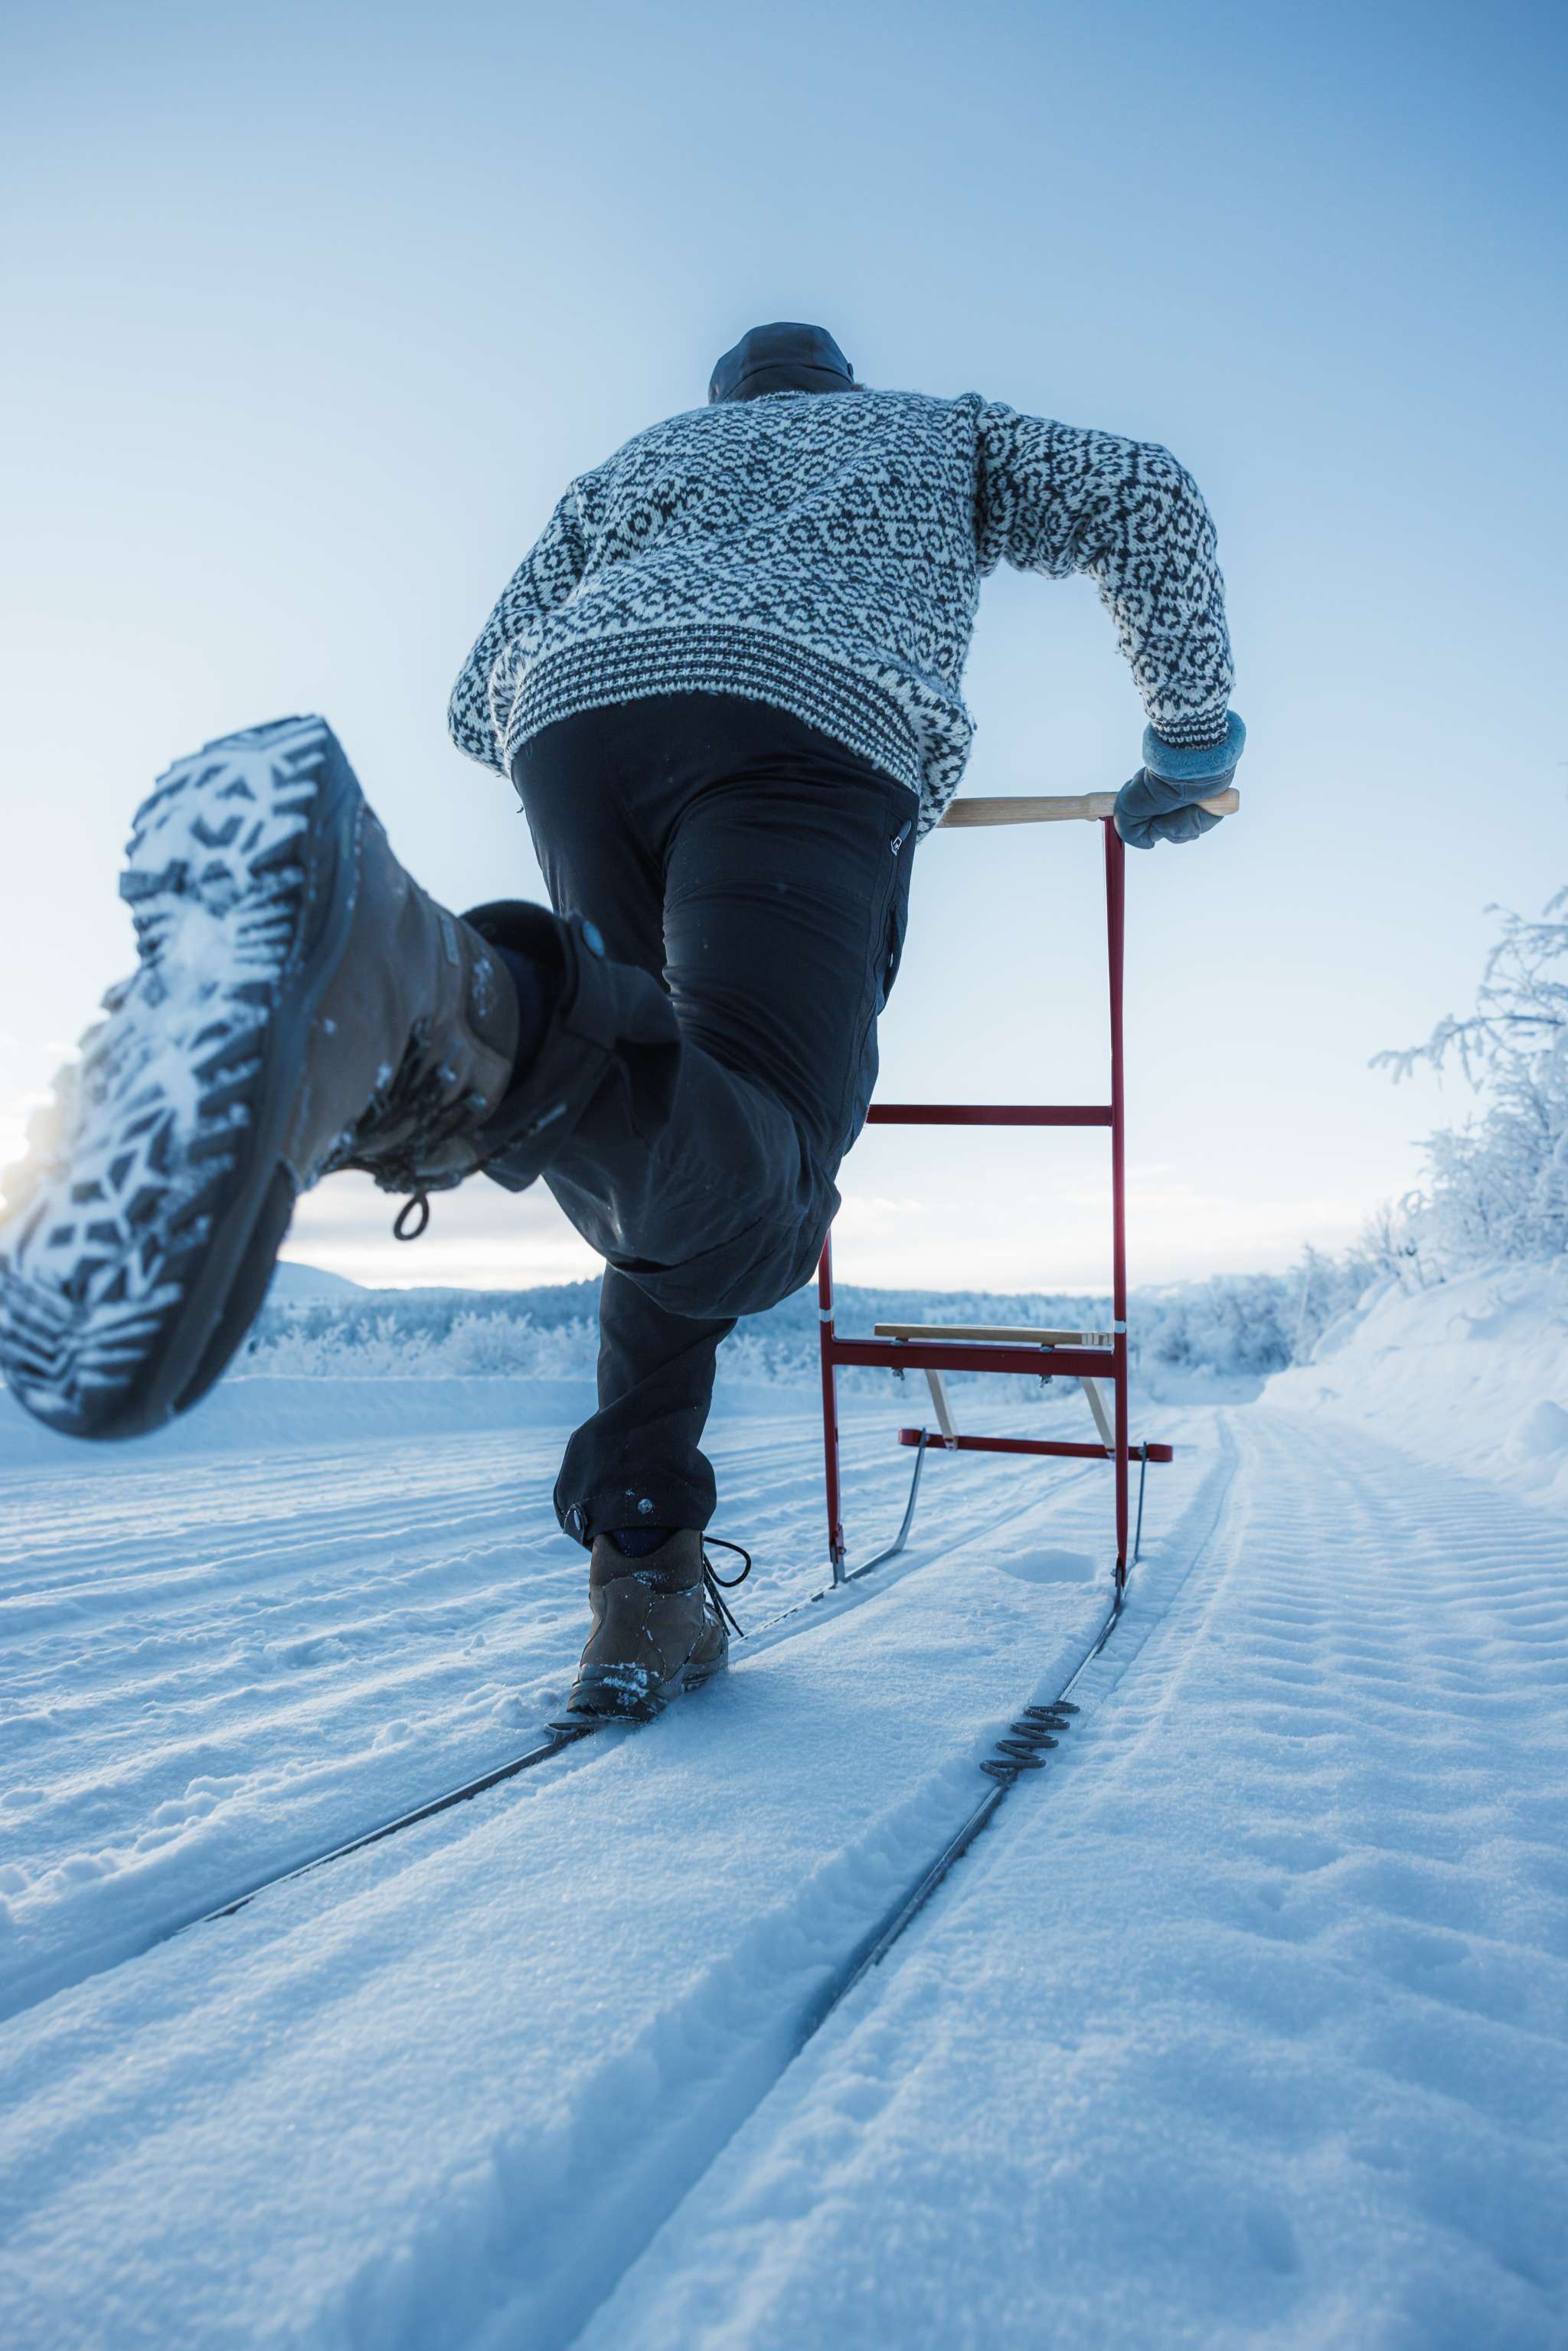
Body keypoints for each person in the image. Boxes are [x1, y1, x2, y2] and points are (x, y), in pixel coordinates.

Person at [0, 322, 1244, 1722]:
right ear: (835, 388)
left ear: (724, 406)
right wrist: (1188, 746)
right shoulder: (936, 433)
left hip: (579, 722)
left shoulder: (635, 469)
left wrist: (640, 660)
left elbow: (479, 694)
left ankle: (643, 1572)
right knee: (754, 1204)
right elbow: (1145, 495)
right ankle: (440, 995)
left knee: (658, 1116)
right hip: (807, 738)